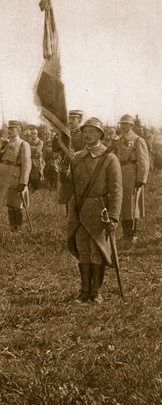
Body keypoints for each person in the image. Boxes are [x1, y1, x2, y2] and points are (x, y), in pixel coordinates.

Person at [66, 118, 122, 303]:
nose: (87, 135)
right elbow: (70, 184)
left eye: (92, 131)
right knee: (83, 250)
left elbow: (116, 189)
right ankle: (84, 291)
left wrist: (113, 216)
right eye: (85, 131)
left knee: (97, 250)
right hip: (79, 210)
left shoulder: (109, 158)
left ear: (100, 134)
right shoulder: (77, 158)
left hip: (100, 211)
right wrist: (62, 171)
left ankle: (96, 291)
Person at [113, 114, 150, 245]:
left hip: (131, 173)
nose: (123, 126)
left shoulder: (138, 140)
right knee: (122, 204)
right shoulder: (117, 140)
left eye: (126, 124)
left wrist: (141, 178)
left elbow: (144, 161)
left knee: (132, 204)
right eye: (121, 124)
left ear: (131, 125)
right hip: (120, 173)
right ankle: (125, 233)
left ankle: (132, 234)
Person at [0, 120, 31, 231]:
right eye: (8, 129)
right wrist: (1, 147)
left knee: (17, 203)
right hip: (4, 177)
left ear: (18, 130)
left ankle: (18, 227)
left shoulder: (23, 144)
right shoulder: (5, 143)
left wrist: (23, 182)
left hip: (16, 176)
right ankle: (12, 227)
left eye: (12, 129)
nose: (9, 131)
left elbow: (26, 164)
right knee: (9, 203)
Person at [53, 110, 84, 206]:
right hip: (65, 168)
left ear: (79, 120)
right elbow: (55, 149)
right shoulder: (64, 134)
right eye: (69, 118)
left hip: (79, 167)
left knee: (78, 194)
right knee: (67, 195)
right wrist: (56, 137)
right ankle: (69, 218)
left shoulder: (83, 134)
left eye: (73, 118)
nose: (70, 121)